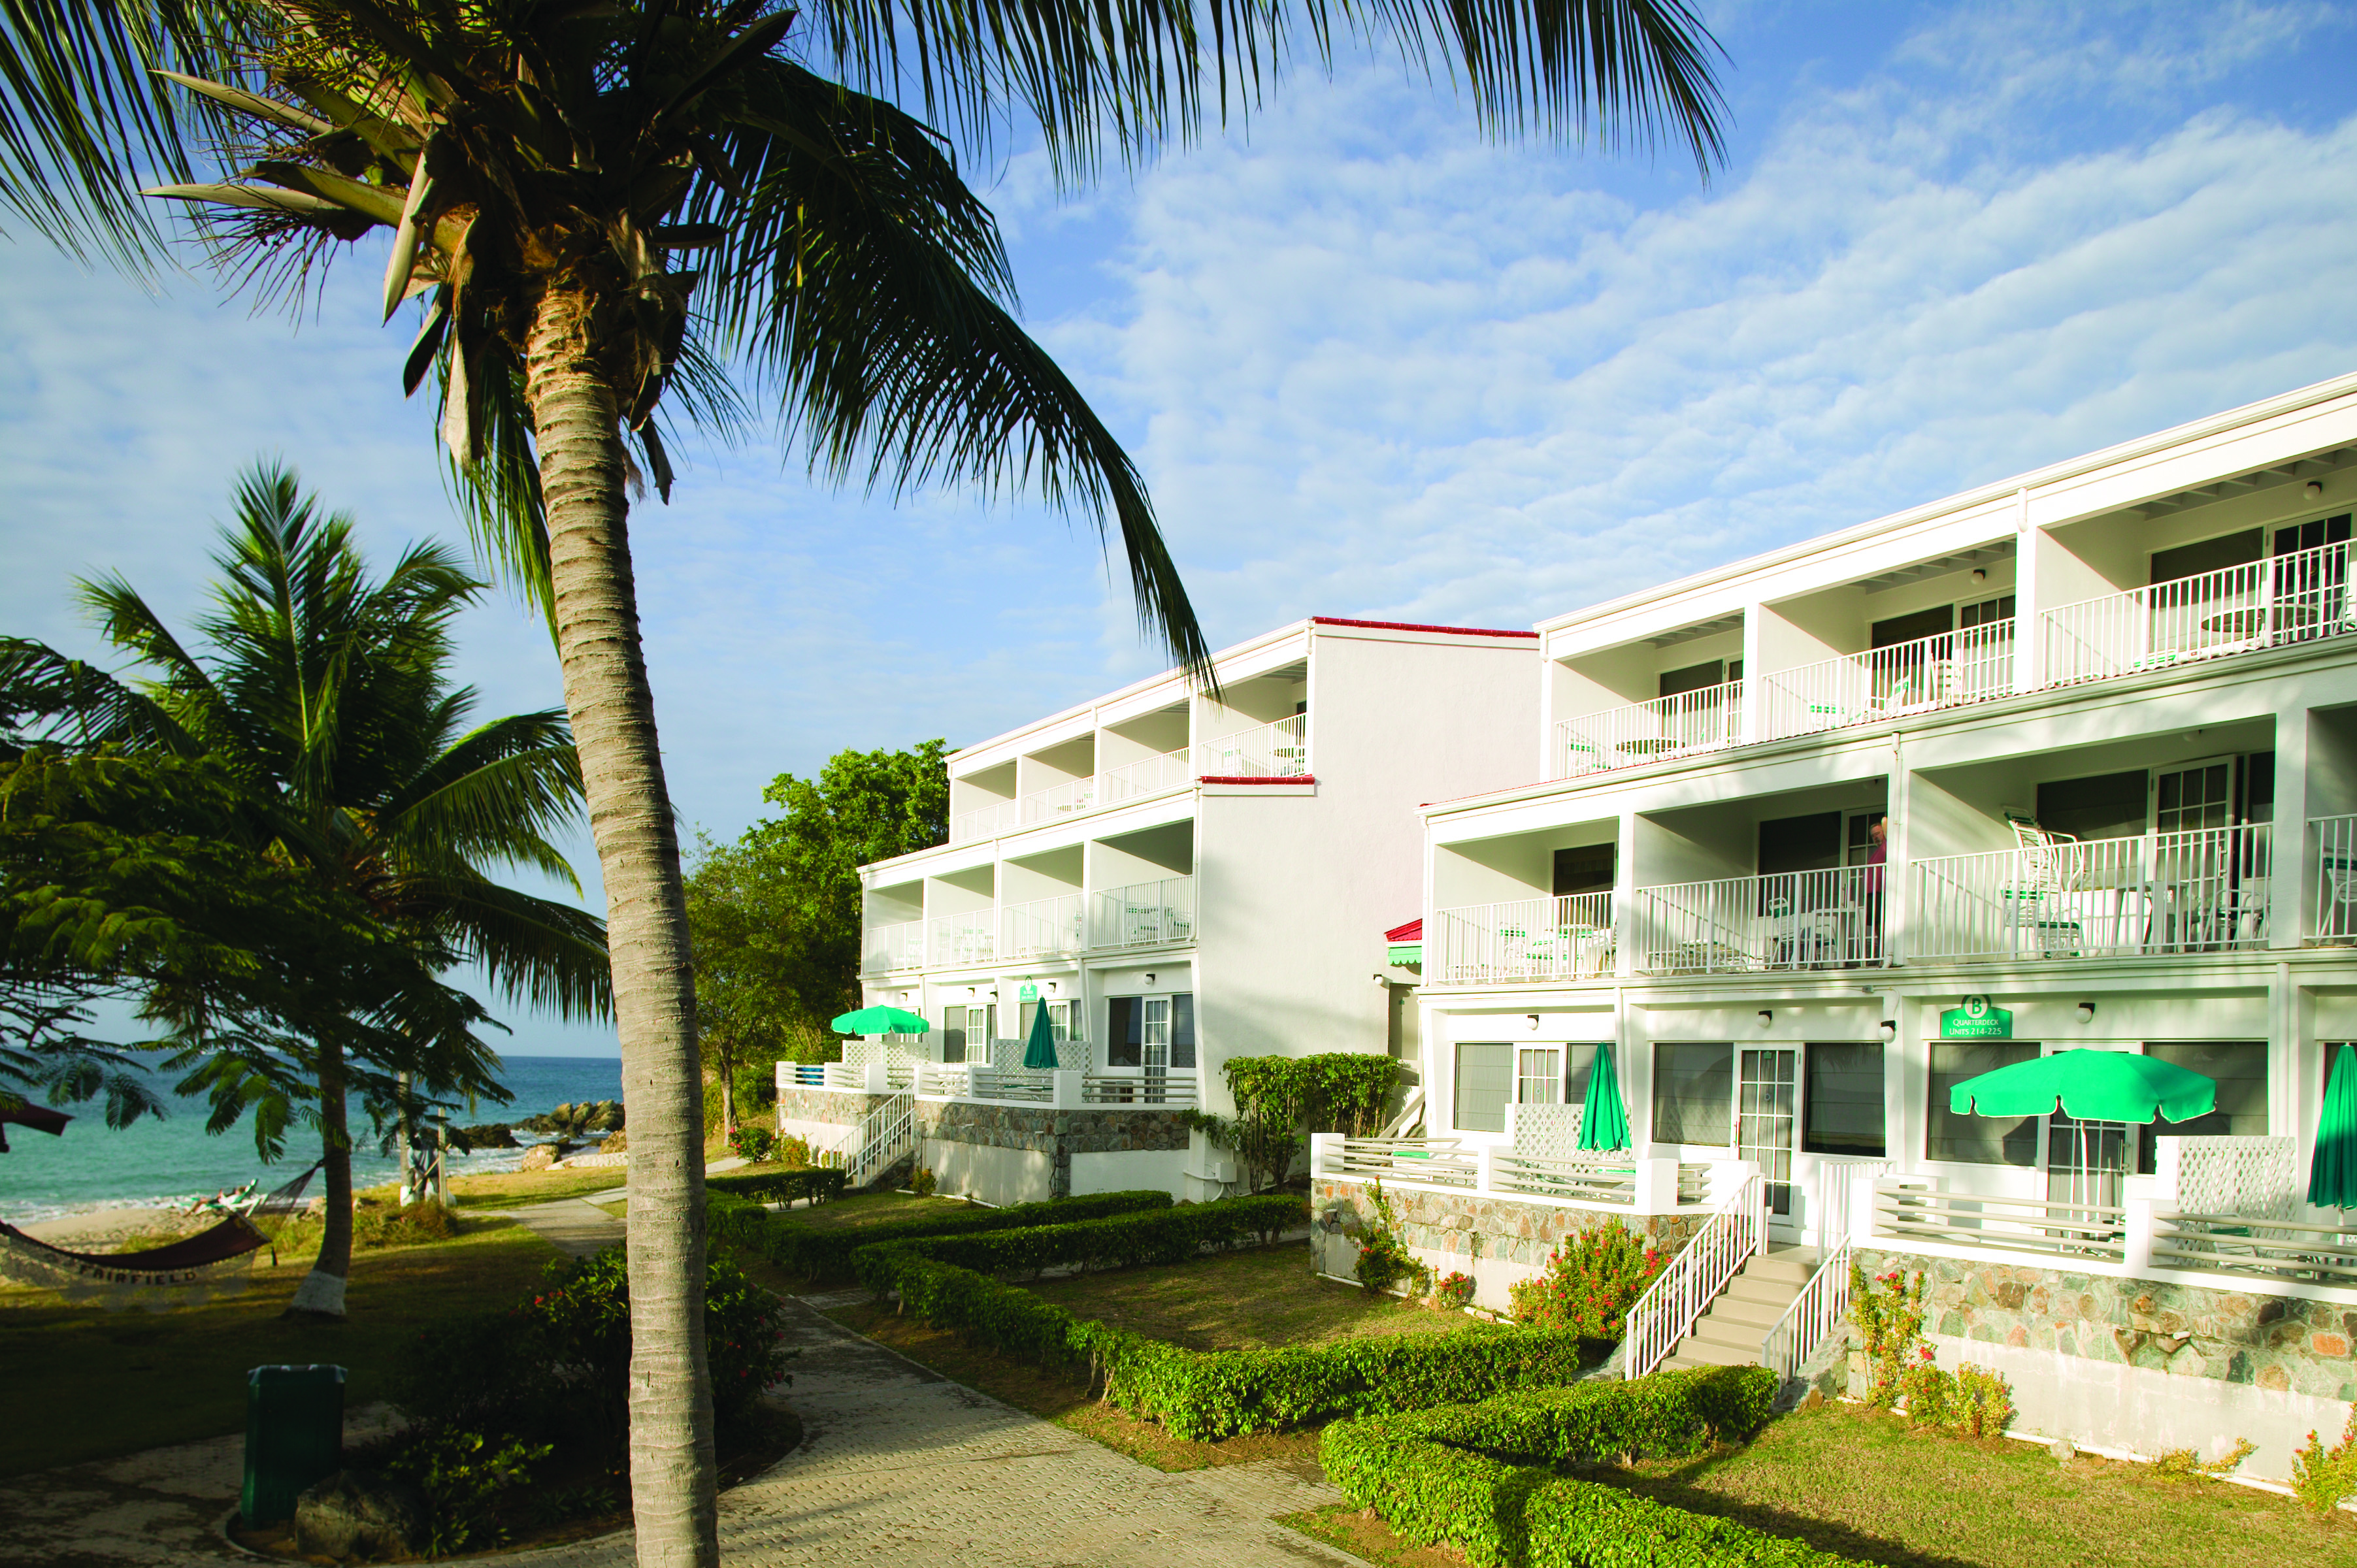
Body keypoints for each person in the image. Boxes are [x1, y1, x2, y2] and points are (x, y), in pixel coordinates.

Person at [1861, 816, 1888, 962]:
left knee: (1882, 922)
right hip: (1872, 892)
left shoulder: (1888, 845)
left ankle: (1885, 954)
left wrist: (1885, 827)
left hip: (1880, 891)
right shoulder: (1877, 851)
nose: (1875, 837)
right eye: (1873, 836)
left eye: (1878, 833)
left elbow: (1886, 821)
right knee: (1876, 924)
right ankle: (1881, 953)